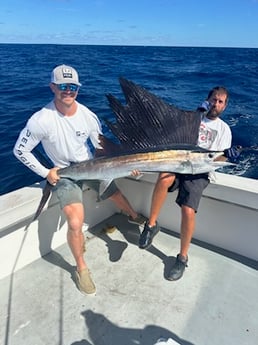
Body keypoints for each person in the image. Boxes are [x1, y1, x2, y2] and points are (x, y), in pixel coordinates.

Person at [13, 64, 146, 295]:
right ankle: (81, 268)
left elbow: (101, 148)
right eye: (63, 86)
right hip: (65, 174)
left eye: (72, 86)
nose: (68, 91)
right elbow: (19, 150)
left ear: (77, 88)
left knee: (116, 194)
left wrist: (128, 168)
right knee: (76, 222)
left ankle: (134, 217)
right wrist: (46, 173)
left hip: (92, 167)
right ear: (52, 87)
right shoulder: (41, 119)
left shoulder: (88, 116)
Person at [138, 86, 241, 281]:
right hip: (180, 164)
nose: (216, 104)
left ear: (225, 106)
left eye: (220, 102)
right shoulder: (194, 118)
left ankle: (182, 257)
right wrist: (194, 115)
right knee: (164, 177)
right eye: (213, 99)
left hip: (200, 172)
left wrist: (228, 156)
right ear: (207, 99)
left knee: (187, 210)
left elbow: (216, 160)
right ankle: (151, 225)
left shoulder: (224, 129)